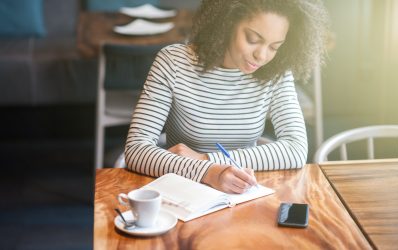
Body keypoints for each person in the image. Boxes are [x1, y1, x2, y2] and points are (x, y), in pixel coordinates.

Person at [125, 0, 329, 194]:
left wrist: (205, 159)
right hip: (185, 192)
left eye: (274, 47)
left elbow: (296, 149)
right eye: (253, 39)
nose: (262, 55)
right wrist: (209, 173)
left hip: (243, 192)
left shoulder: (276, 72)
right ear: (227, 23)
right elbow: (135, 150)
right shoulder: (174, 63)